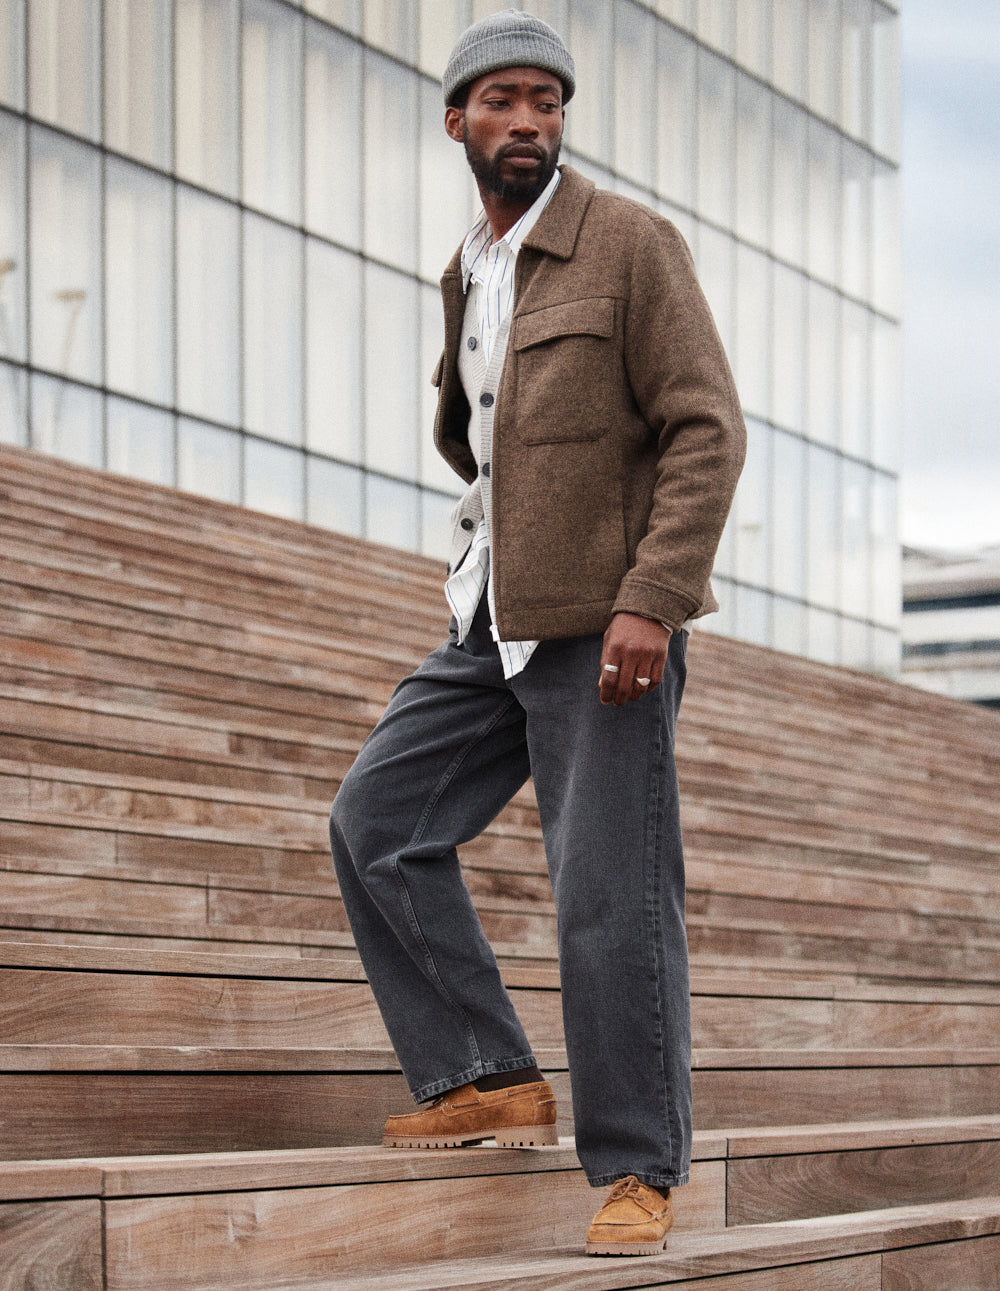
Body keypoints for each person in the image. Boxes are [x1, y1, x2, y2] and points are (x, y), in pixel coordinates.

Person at [329, 9, 745, 1257]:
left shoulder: (628, 243)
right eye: (501, 101)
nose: (528, 121)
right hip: (489, 615)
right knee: (376, 824)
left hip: (603, 626)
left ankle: (637, 1170)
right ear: (456, 120)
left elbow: (704, 428)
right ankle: (480, 1071)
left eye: (547, 101)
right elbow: (477, 437)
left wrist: (650, 596)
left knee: (609, 901)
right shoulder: (467, 268)